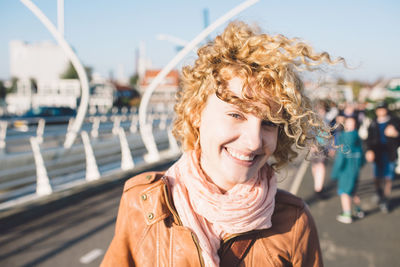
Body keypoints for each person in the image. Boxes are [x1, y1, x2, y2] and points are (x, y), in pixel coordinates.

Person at [101, 21, 341, 267]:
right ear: (196, 113)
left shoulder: (293, 221)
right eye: (237, 115)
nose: (254, 140)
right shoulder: (144, 202)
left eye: (269, 123)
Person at [365, 102, 400, 213]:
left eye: (383, 109)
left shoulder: (395, 121)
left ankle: (385, 199)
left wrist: (396, 134)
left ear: (386, 110)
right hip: (377, 153)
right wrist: (369, 150)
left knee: (388, 178)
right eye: (379, 109)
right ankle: (378, 192)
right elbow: (368, 138)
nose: (381, 111)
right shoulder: (373, 122)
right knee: (377, 176)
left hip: (390, 153)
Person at [331, 116, 365, 224]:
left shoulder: (344, 137)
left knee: (345, 192)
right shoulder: (357, 137)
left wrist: (335, 173)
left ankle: (347, 214)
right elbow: (362, 155)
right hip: (355, 169)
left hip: (346, 170)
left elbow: (341, 157)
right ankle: (358, 210)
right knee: (353, 191)